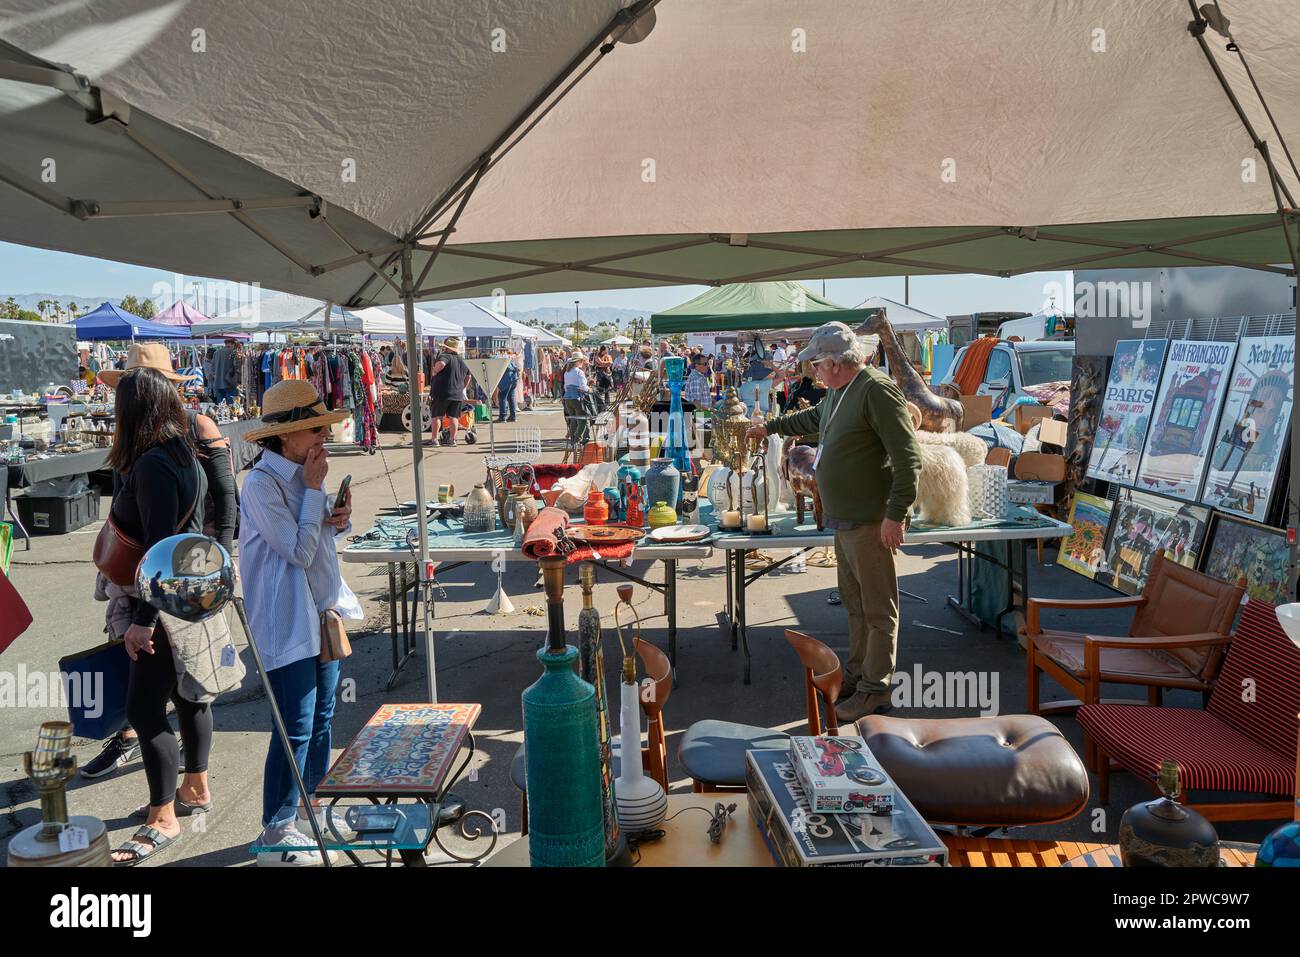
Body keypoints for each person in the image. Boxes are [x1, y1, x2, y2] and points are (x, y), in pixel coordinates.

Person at [747, 321, 922, 723]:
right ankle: (860, 676)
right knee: (856, 607)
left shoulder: (876, 391)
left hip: (869, 521)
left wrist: (895, 514)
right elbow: (810, 419)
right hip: (847, 522)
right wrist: (769, 427)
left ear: (836, 362)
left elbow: (908, 457)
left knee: (878, 610)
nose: (815, 373)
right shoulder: (841, 392)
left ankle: (876, 691)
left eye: (818, 365)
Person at [83, 345, 239, 783]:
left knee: (157, 699)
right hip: (162, 578)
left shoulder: (176, 443)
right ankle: (188, 783)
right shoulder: (153, 447)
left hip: (171, 581)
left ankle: (166, 806)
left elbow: (224, 503)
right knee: (181, 692)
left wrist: (216, 569)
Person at [240, 380, 361, 866]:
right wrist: (315, 495)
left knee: (324, 716)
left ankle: (310, 808)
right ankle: (277, 827)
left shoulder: (307, 473)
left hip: (320, 612)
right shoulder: (261, 484)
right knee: (295, 725)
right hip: (286, 621)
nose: (322, 438)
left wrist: (337, 517)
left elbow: (317, 540)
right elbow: (297, 550)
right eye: (314, 429)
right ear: (285, 435)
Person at [102, 368, 211, 865]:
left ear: (133, 410)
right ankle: (195, 787)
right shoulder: (183, 454)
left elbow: (159, 549)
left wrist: (143, 619)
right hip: (187, 597)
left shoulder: (151, 464)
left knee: (146, 710)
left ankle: (162, 815)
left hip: (163, 604)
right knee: (189, 697)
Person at [428, 336, 470, 446]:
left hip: (442, 392)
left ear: (447, 348)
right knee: (454, 417)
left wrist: (434, 370)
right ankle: (452, 440)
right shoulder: (463, 360)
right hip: (457, 394)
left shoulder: (445, 356)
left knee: (436, 416)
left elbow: (441, 364)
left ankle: (434, 440)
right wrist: (462, 388)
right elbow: (468, 377)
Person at [563, 354, 595, 450]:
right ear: (577, 362)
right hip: (577, 398)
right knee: (583, 420)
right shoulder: (579, 372)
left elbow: (565, 386)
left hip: (567, 398)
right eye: (581, 361)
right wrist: (589, 389)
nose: (582, 362)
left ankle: (573, 441)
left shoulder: (567, 372)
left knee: (573, 420)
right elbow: (583, 387)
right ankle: (576, 438)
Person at [739, 337, 775, 415]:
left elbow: (740, 403)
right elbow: (782, 376)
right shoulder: (766, 383)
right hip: (762, 415)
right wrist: (772, 365)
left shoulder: (743, 386)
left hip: (747, 415)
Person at [208, 338, 241, 404]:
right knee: (233, 408)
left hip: (218, 383)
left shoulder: (216, 353)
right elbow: (237, 368)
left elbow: (212, 369)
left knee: (221, 407)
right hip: (230, 383)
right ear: (233, 344)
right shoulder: (234, 352)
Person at [497, 352, 519, 423]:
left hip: (507, 379)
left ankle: (502, 416)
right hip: (513, 378)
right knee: (511, 397)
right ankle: (513, 416)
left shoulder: (500, 359)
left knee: (502, 397)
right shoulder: (510, 359)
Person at [593, 345, 614, 409]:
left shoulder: (608, 356)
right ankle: (599, 403)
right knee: (600, 389)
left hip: (607, 373)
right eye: (606, 350)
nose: (607, 351)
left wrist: (603, 364)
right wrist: (605, 363)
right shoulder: (597, 356)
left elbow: (610, 362)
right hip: (600, 374)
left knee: (607, 388)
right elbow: (601, 362)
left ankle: (607, 403)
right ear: (603, 350)